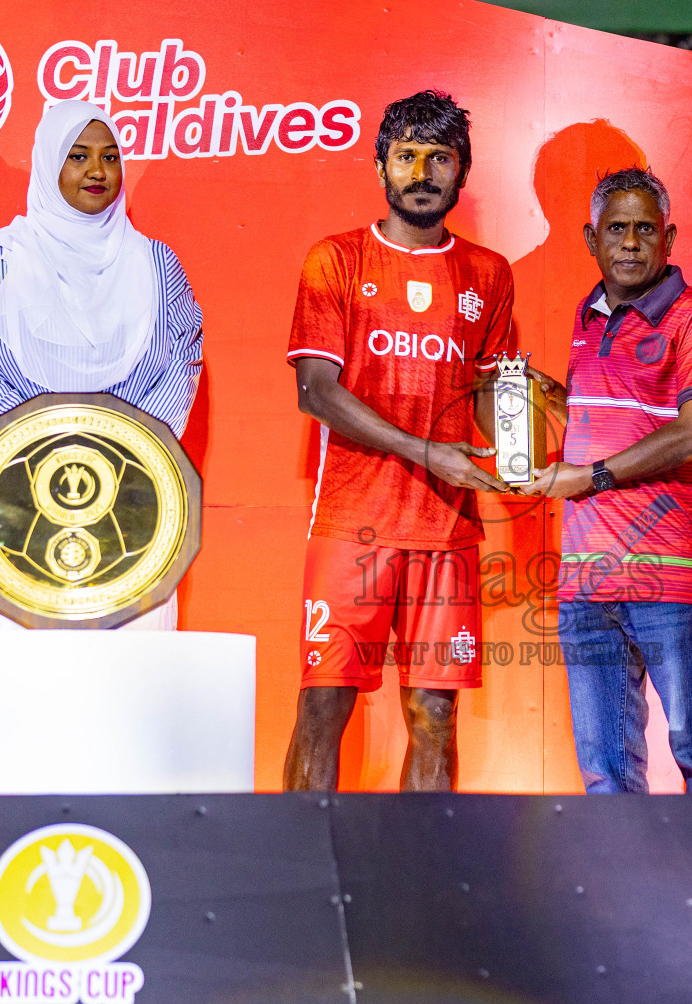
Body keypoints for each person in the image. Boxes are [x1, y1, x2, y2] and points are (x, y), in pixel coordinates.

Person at [282, 91, 522, 792]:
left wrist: (521, 440)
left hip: (447, 529)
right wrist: (425, 451)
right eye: (407, 155)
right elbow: (316, 392)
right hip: (352, 524)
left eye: (439, 158)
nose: (422, 171)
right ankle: (300, 879)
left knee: (433, 716)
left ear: (462, 172)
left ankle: (430, 887)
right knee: (325, 706)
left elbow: (490, 392)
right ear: (381, 165)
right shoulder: (335, 259)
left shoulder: (489, 273)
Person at [0, 101, 203, 630]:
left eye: (110, 157)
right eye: (78, 155)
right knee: (12, 675)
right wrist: (43, 448)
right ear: (47, 163)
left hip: (131, 497)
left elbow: (180, 364)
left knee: (124, 681)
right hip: (13, 494)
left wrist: (112, 449)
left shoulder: (158, 264)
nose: (97, 171)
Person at [524, 167, 692, 794]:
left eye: (646, 229)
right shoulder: (587, 316)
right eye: (616, 228)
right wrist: (552, 400)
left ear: (669, 238)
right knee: (605, 774)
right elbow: (619, 414)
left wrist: (587, 478)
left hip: (668, 576)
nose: (631, 243)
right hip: (586, 581)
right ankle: (627, 895)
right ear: (590, 239)